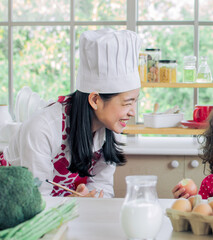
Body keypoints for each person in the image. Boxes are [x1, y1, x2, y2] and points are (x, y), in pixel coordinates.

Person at [0, 29, 142, 198]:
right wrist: (74, 203)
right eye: (127, 103)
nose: (133, 112)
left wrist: (93, 197)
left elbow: (102, 185)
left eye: (135, 101)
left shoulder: (111, 129)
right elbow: (37, 201)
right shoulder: (42, 129)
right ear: (95, 100)